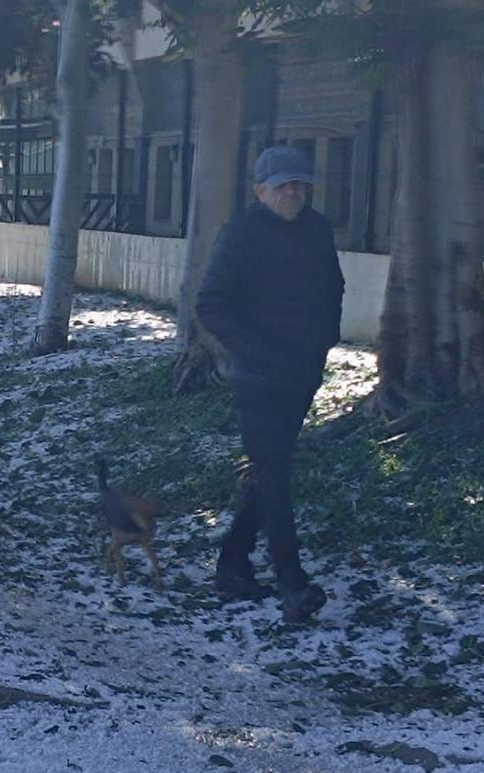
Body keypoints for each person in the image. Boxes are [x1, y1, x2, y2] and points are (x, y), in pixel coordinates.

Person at [195, 145, 344, 625]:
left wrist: (325, 341)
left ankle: (233, 564)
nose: (293, 193)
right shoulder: (240, 235)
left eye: (300, 184)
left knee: (269, 470)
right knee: (274, 473)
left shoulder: (318, 229)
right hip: (256, 378)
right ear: (261, 191)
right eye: (282, 185)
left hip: (301, 374)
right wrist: (255, 352)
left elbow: (334, 287)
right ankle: (292, 584)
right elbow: (211, 303)